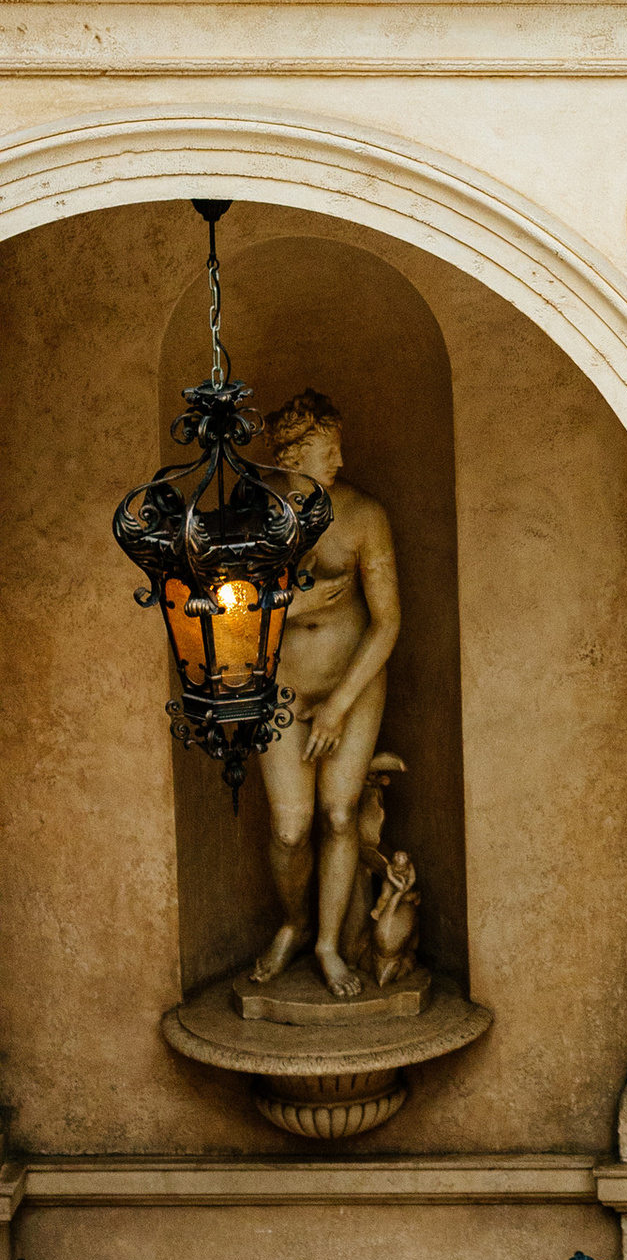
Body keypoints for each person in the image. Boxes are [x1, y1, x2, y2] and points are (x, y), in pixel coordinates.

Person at [248, 393, 403, 999]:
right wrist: (291, 604)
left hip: (352, 686)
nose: (339, 460)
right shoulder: (255, 514)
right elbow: (224, 617)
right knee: (290, 827)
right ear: (292, 456)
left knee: (340, 814)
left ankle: (329, 945)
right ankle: (294, 923)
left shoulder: (364, 515)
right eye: (326, 449)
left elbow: (387, 623)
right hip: (280, 685)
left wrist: (338, 705)